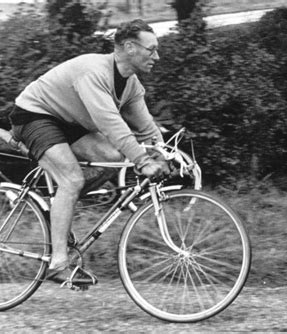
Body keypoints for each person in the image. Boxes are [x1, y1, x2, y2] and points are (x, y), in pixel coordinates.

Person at [9, 19, 170, 285]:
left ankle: (60, 207)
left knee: (113, 157)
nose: (157, 55)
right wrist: (142, 160)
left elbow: (145, 126)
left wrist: (162, 154)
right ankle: (58, 263)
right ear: (130, 47)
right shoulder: (94, 72)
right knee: (71, 180)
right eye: (151, 49)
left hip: (68, 120)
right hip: (35, 115)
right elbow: (110, 124)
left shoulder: (130, 84)